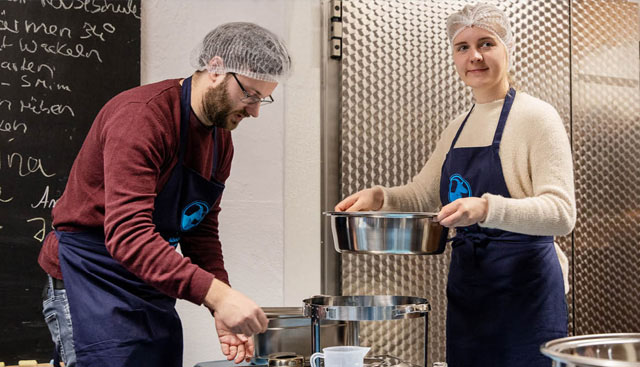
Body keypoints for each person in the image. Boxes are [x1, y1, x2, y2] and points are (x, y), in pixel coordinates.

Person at [38, 22, 291, 367]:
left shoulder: (219, 139)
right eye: (249, 94)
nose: (254, 110)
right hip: (91, 277)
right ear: (216, 68)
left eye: (263, 98)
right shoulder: (142, 118)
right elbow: (128, 235)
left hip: (150, 282)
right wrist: (219, 295)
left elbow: (200, 230)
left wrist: (220, 304)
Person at [335, 4, 575, 367]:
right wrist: (380, 196)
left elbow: (561, 214)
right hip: (470, 289)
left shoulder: (537, 117)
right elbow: (423, 193)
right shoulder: (457, 126)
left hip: (526, 292)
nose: (474, 56)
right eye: (462, 47)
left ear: (507, 48)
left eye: (486, 43)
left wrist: (486, 209)